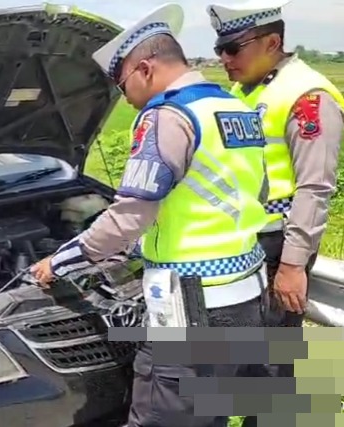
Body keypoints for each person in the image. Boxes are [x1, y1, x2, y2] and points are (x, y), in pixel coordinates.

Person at [30, 3, 271, 426]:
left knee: (161, 416)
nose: (124, 97)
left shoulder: (167, 116)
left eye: (122, 84)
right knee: (210, 413)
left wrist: (59, 261)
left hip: (193, 310)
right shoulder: (233, 107)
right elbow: (255, 191)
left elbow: (129, 216)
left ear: (145, 69)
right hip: (246, 295)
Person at [205, 2, 344, 426]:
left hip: (279, 247)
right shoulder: (245, 91)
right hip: (245, 246)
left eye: (233, 48)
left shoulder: (307, 96)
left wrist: (293, 265)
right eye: (219, 49)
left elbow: (315, 188)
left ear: (272, 42)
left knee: (271, 362)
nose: (224, 59)